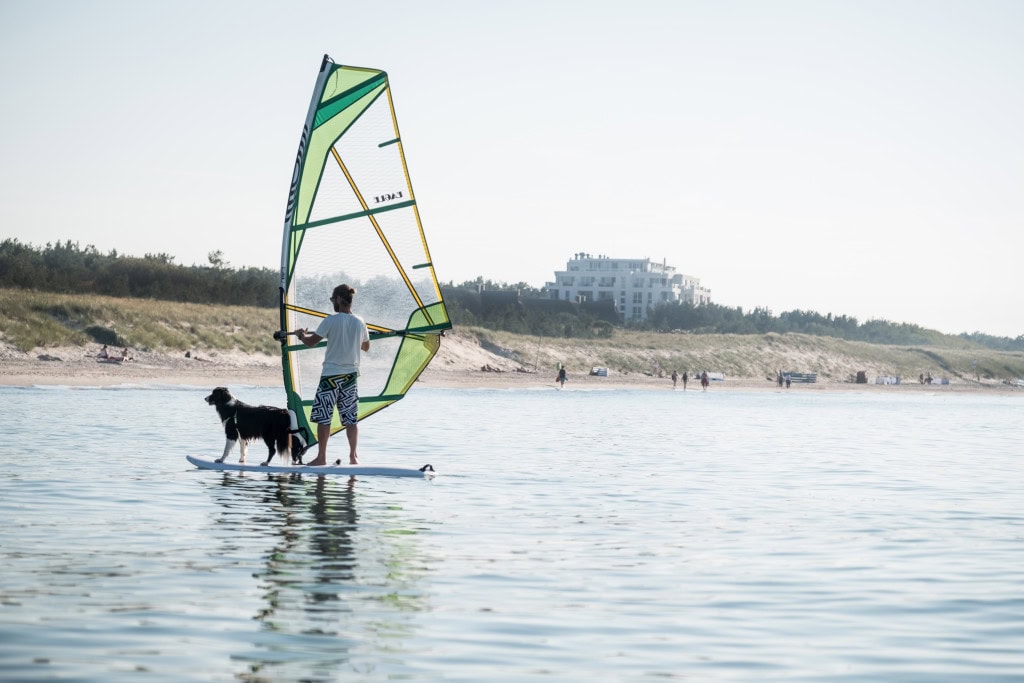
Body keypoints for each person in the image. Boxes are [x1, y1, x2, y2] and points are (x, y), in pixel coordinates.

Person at [296, 284, 370, 466]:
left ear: (338, 299)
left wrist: (301, 335)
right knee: (351, 419)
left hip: (330, 377)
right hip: (350, 378)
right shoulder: (360, 322)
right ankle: (354, 457)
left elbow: (311, 342)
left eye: (332, 300)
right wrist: (352, 338)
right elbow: (366, 347)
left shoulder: (330, 320)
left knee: (324, 418)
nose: (332, 303)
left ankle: (321, 458)